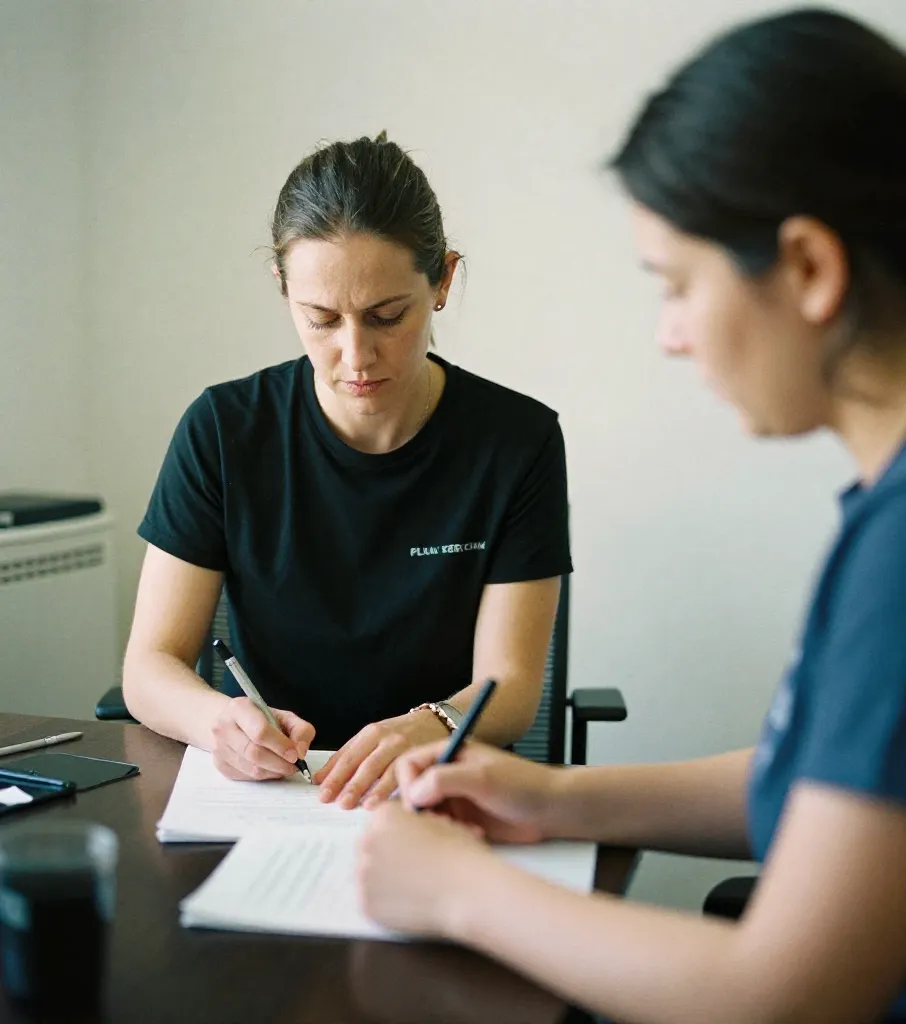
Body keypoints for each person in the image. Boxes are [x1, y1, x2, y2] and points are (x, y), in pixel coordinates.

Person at [355, 10, 906, 1023]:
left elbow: (785, 993)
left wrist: (454, 890)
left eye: (676, 286)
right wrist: (548, 795)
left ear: (808, 268)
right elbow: (825, 785)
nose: (669, 336)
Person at [122, 134, 571, 809]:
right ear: (282, 287)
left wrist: (431, 724)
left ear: (443, 280)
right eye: (322, 319)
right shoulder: (222, 431)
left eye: (387, 316)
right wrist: (220, 724)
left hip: (440, 786)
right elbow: (149, 668)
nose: (355, 355)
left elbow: (508, 687)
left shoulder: (517, 441)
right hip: (275, 794)